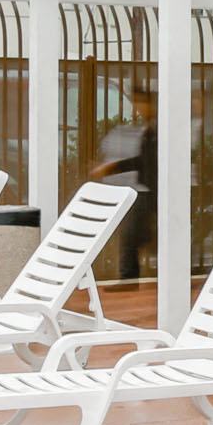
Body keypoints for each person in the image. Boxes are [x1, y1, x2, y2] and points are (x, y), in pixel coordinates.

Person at [92, 86, 157, 282]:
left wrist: (110, 167)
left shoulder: (156, 128)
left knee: (131, 238)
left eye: (139, 102)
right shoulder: (149, 128)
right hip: (146, 189)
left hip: (150, 190)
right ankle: (128, 281)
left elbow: (144, 160)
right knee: (133, 238)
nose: (136, 107)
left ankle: (128, 281)